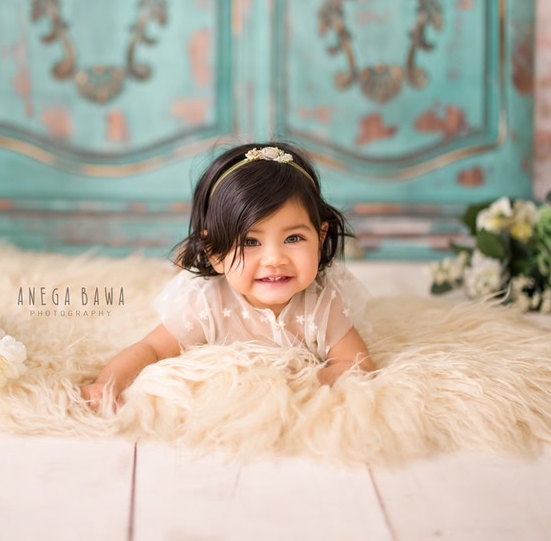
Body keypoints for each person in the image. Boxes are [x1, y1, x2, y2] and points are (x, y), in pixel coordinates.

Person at [81, 142, 377, 412]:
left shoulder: (322, 301)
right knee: (186, 271)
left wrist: (306, 384)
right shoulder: (207, 303)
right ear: (217, 253)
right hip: (212, 275)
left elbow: (356, 363)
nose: (274, 259)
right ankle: (192, 256)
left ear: (320, 236)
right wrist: (108, 383)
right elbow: (152, 348)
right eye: (250, 242)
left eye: (293, 238)